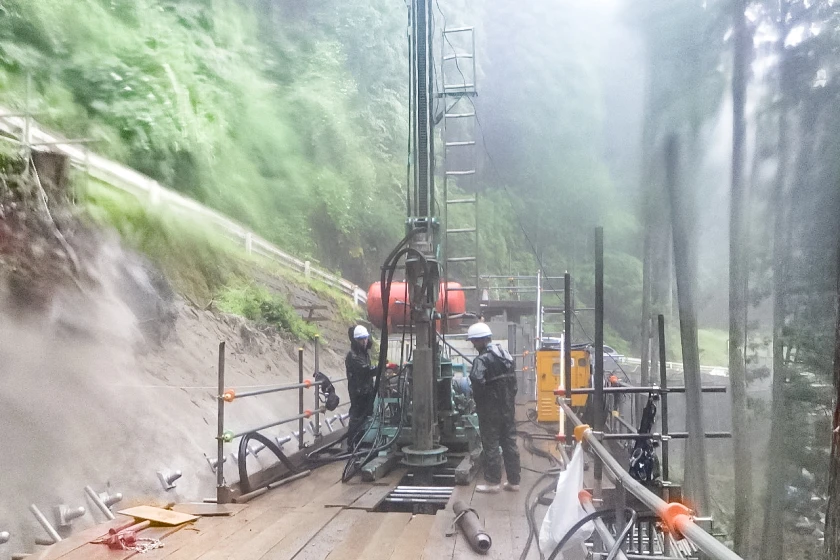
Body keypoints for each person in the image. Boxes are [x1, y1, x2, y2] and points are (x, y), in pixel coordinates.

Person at [467, 321, 521, 493]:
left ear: (482, 340)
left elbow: (476, 380)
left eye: (475, 341)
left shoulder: (482, 359)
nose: (473, 345)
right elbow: (513, 383)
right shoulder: (506, 355)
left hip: (490, 410)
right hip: (507, 407)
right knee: (509, 442)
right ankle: (514, 481)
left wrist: (480, 401)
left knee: (491, 444)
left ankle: (493, 482)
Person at [345, 325, 378, 450]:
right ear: (356, 341)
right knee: (357, 417)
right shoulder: (353, 356)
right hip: (358, 392)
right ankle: (352, 444)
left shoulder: (364, 354)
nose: (364, 342)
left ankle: (362, 441)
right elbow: (366, 370)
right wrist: (382, 366)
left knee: (367, 416)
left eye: (365, 339)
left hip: (366, 390)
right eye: (361, 339)